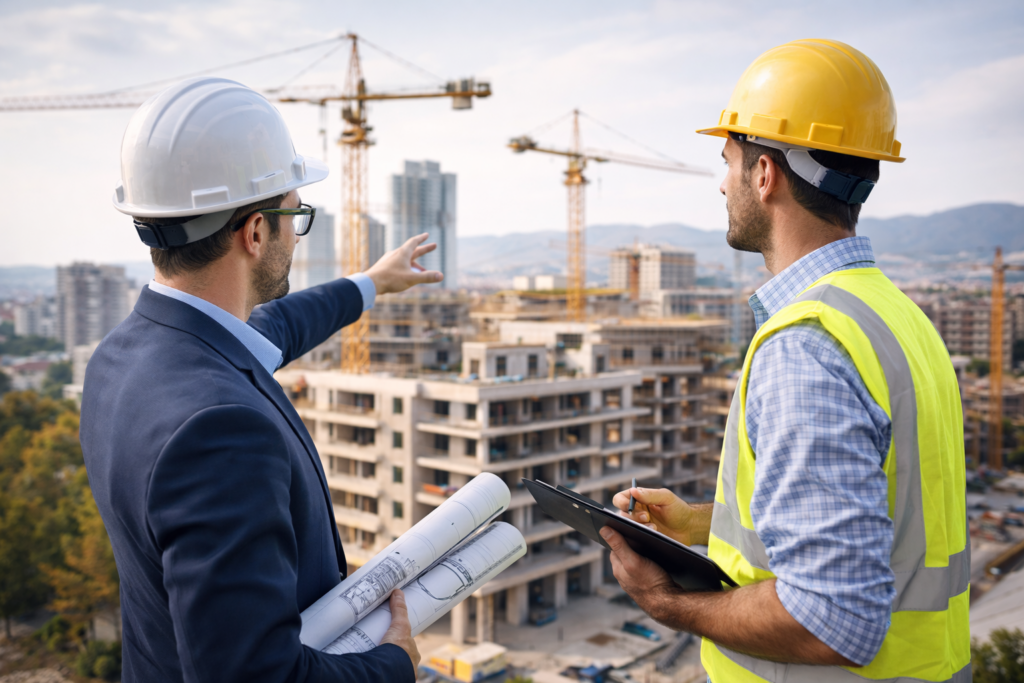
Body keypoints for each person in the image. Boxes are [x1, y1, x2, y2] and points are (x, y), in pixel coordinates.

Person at [601, 40, 969, 681]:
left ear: (764, 174)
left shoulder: (806, 344)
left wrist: (668, 602)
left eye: (728, 160)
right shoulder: (897, 317)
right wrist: (698, 524)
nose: (722, 182)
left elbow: (833, 619)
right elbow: (878, 520)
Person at [80, 77, 440, 682]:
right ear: (254, 232)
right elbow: (252, 675)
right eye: (295, 215)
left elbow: (276, 326)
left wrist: (373, 281)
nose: (296, 234)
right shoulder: (220, 430)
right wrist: (393, 665)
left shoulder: (121, 359)